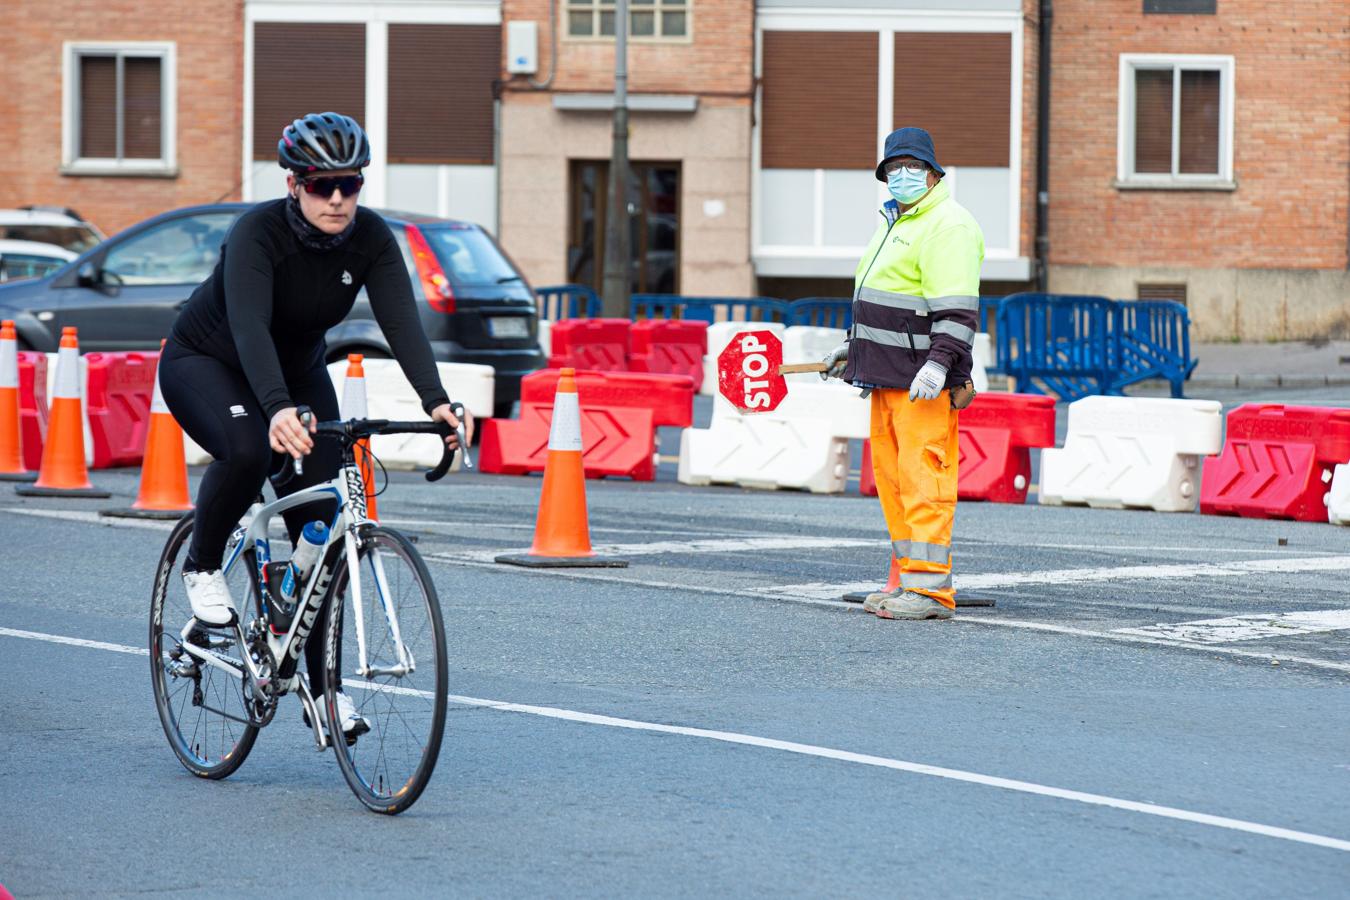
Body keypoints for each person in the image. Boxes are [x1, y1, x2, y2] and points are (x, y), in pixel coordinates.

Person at [159, 111, 468, 735]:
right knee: (247, 452)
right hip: (210, 363)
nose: (336, 199)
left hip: (297, 373)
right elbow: (248, 327)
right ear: (294, 183)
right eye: (322, 184)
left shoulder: (373, 239)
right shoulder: (258, 233)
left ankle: (318, 683)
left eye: (349, 185)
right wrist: (274, 410)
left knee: (323, 536)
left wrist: (436, 400)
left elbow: (401, 323)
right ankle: (202, 565)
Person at [822, 127, 984, 621]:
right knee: (895, 484)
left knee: (924, 483)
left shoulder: (947, 225)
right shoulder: (896, 222)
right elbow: (891, 302)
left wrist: (939, 366)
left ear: (935, 172)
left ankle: (931, 594)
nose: (902, 176)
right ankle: (912, 583)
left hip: (921, 385)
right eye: (893, 169)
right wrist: (855, 349)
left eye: (912, 167)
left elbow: (956, 310)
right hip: (887, 378)